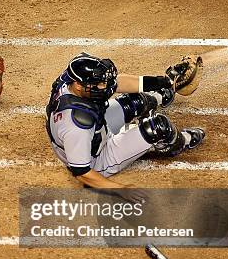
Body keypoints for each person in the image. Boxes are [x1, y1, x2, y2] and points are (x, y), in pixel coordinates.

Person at [46, 52, 205, 194]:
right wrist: (120, 190)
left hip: (97, 129)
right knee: (158, 127)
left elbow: (118, 84)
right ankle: (181, 142)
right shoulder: (77, 124)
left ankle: (159, 96)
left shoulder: (70, 80)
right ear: (79, 86)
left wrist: (164, 82)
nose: (104, 86)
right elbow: (81, 172)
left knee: (137, 100)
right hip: (98, 158)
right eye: (98, 84)